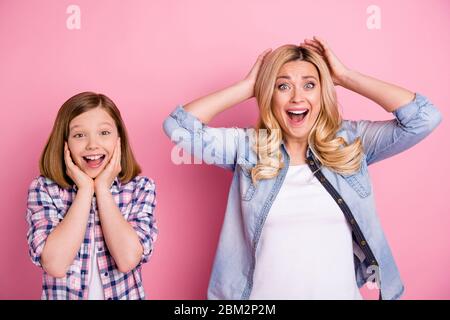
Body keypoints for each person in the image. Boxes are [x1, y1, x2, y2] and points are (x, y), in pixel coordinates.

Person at [163, 36, 442, 300]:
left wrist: (345, 77)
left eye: (309, 84)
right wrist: (249, 86)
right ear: (270, 94)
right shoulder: (248, 149)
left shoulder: (350, 143)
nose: (297, 97)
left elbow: (424, 118)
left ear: (323, 92)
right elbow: (178, 127)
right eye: (283, 86)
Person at [27, 92, 157, 299]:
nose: (92, 145)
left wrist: (103, 190)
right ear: (65, 143)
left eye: (104, 133)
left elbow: (127, 260)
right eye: (79, 135)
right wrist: (85, 190)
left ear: (119, 139)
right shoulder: (44, 189)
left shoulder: (140, 188)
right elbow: (55, 264)